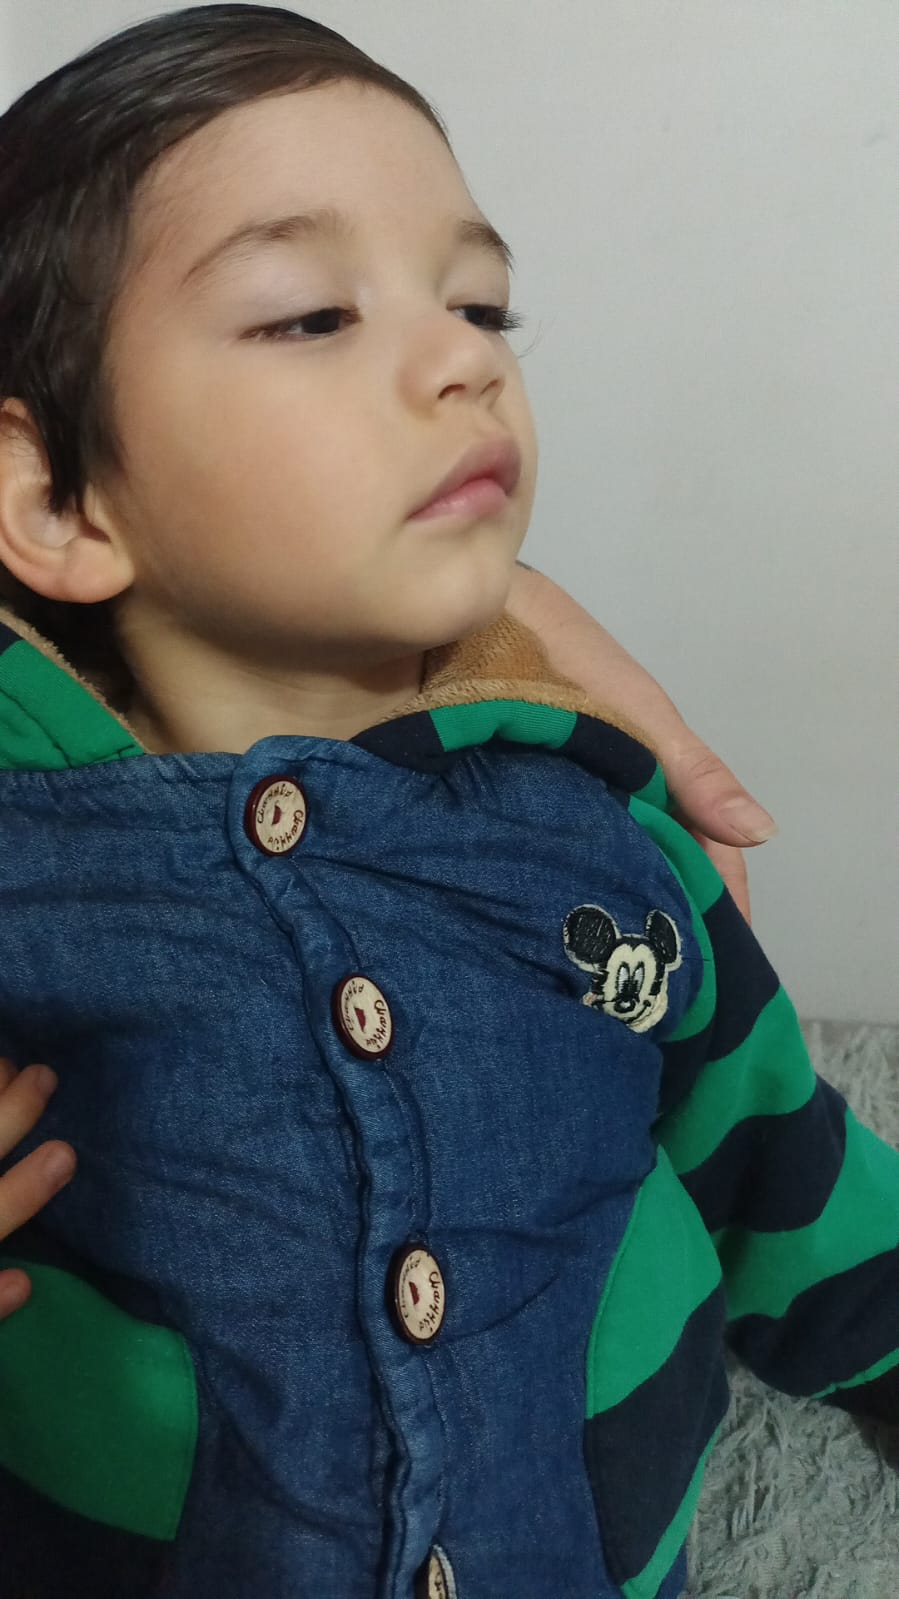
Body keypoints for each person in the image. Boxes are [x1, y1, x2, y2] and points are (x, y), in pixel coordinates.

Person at [0, 8, 893, 1597]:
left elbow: (777, 1148)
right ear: (59, 499)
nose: (468, 359)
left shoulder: (598, 826)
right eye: (309, 314)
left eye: (482, 303)